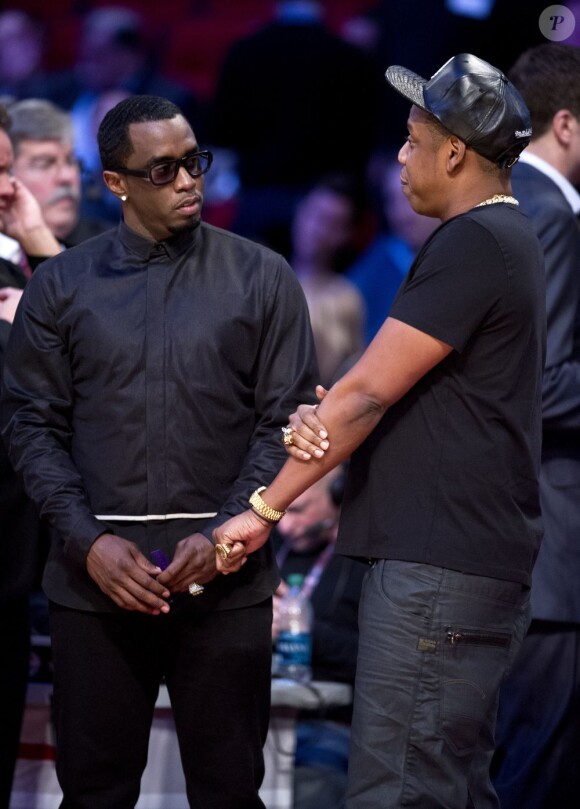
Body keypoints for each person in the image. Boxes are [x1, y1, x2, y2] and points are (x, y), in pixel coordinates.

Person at [213, 53, 546, 808]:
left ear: (455, 152)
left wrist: (263, 510)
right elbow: (383, 396)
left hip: (436, 570)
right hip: (467, 564)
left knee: (398, 792)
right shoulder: (506, 240)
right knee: (446, 789)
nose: (400, 156)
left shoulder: (474, 241)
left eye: (412, 138)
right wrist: (348, 408)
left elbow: (362, 396)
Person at [0, 94, 319, 809]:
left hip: (227, 585)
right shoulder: (61, 285)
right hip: (95, 590)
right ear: (116, 182)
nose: (188, 182)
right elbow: (30, 427)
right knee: (94, 793)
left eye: (195, 162)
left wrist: (229, 533)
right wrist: (88, 543)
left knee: (230, 792)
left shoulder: (262, 277)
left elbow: (286, 421)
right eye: (164, 169)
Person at [490, 43, 580, 809]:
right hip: (550, 550)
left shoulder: (510, 201)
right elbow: (539, 385)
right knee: (535, 772)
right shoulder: (546, 213)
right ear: (567, 125)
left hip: (528, 546)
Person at [207, 0, 383, 252]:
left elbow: (221, 134)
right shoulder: (350, 57)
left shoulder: (242, 52)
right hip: (327, 210)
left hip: (257, 201)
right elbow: (363, 140)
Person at [0, 103, 61, 809]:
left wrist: (40, 240)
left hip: (11, 569)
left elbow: (93, 344)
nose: (5, 186)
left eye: (8, 168)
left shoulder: (17, 259)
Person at [273, 467, 365, 809]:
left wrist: (301, 630)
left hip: (330, 721)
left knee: (309, 791)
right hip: (259, 717)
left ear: (338, 494)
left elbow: (372, 658)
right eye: (281, 511)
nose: (284, 525)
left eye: (298, 510)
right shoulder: (272, 547)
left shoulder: (363, 564)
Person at [4, 98, 112, 258]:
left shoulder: (115, 249)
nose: (67, 176)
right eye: (44, 164)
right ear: (6, 175)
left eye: (71, 161)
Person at [347, 156, 437, 344]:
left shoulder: (463, 254)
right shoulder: (375, 265)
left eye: (410, 195)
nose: (400, 213)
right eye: (391, 200)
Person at [289, 175, 367, 386]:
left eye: (332, 223)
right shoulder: (264, 281)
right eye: (314, 215)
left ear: (345, 234)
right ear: (300, 210)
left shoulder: (346, 296)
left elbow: (352, 367)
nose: (317, 230)